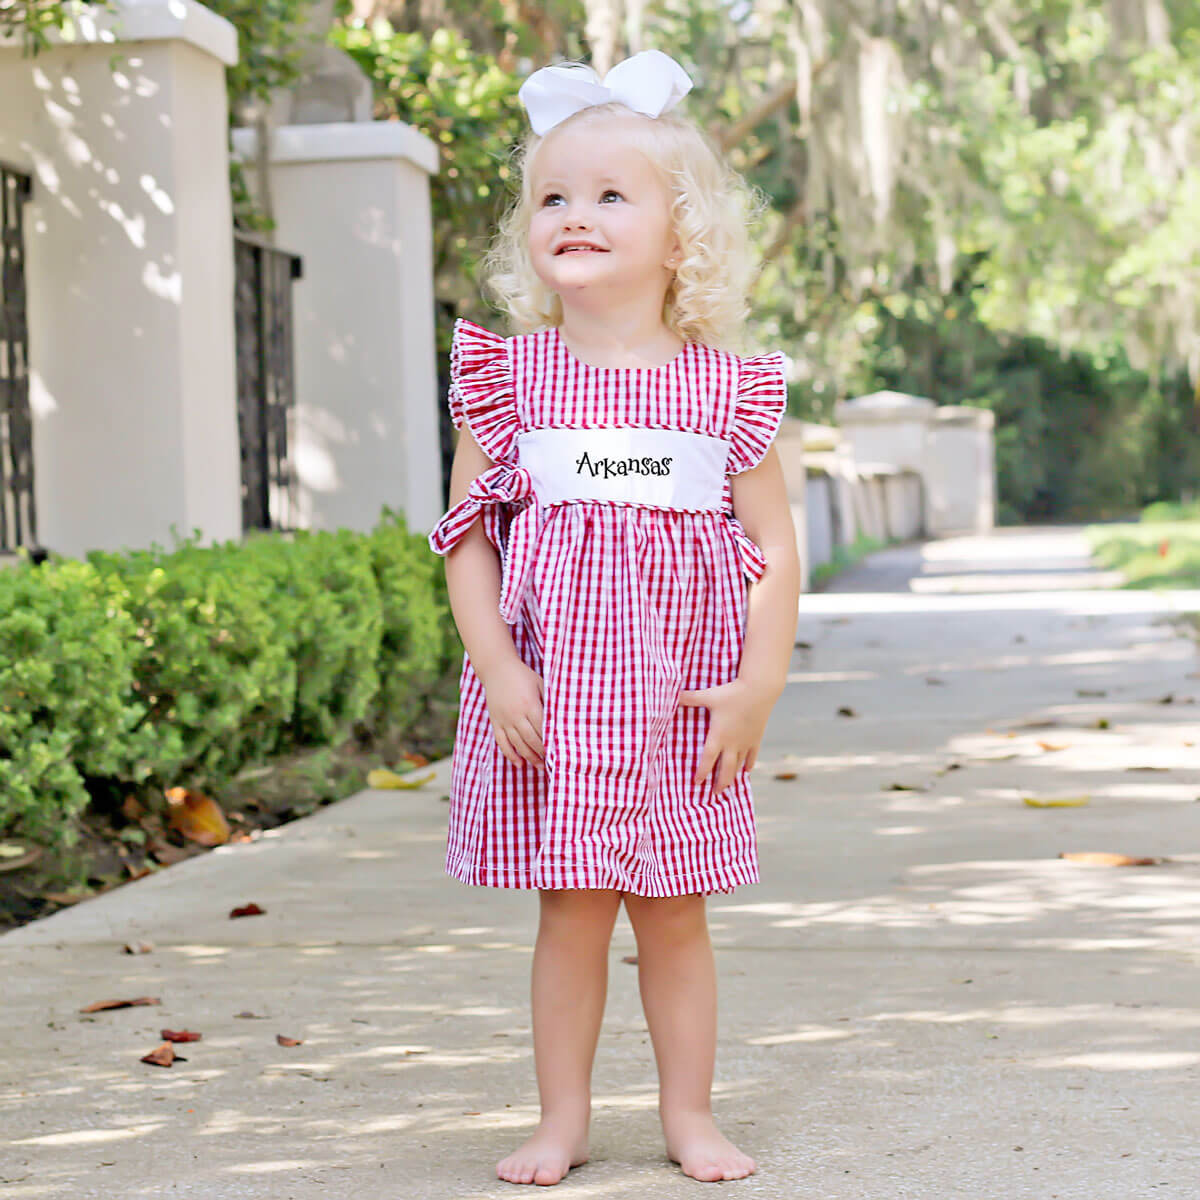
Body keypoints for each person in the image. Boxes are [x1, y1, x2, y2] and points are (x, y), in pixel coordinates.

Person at [427, 48, 802, 1187]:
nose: (574, 214)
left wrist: (760, 683)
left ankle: (690, 1115)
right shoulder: (510, 379)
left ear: (679, 233)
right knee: (573, 916)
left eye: (608, 195)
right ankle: (563, 1122)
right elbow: (465, 538)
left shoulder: (725, 388)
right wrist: (496, 668)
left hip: (683, 706)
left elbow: (775, 549)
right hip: (555, 698)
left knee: (676, 916)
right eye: (552, 196)